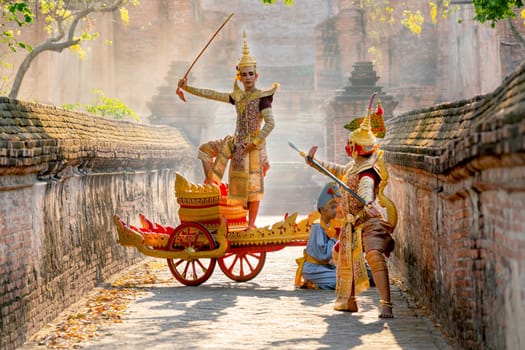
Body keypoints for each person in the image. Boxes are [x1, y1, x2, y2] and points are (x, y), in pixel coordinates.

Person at [304, 98, 397, 318]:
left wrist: (368, 202)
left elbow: (366, 189)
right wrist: (314, 162)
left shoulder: (367, 172)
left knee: (374, 255)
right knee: (341, 256)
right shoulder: (352, 167)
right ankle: (348, 300)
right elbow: (335, 170)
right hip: (351, 225)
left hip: (369, 222)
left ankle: (386, 304)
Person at [178, 31, 278, 229]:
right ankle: (213, 189)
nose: (248, 77)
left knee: (253, 188)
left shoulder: (263, 97)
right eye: (244, 74)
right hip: (235, 142)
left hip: (253, 146)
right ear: (239, 77)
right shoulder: (238, 97)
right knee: (204, 151)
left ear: (256, 75)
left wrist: (255, 143)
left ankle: (250, 224)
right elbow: (212, 94)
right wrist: (188, 88)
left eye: (251, 74)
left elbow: (270, 123)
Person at [295, 181, 341, 290]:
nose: (336, 211)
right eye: (332, 208)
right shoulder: (317, 226)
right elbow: (322, 254)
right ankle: (313, 283)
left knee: (347, 276)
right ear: (322, 209)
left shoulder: (327, 225)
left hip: (322, 266)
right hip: (313, 268)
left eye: (336, 207)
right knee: (340, 282)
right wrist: (335, 239)